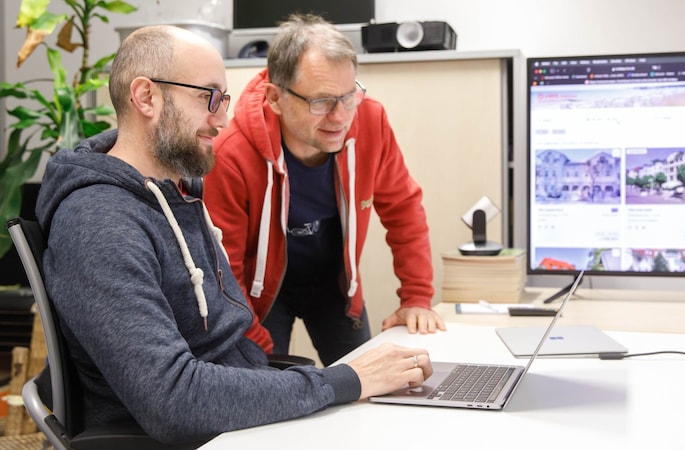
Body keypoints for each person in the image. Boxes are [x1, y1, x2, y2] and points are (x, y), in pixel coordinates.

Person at [35, 25, 432, 446]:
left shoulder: (178, 193)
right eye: (208, 97)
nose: (223, 119)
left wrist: (332, 384)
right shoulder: (100, 224)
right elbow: (173, 400)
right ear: (146, 97)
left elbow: (225, 335)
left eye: (223, 99)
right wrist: (340, 382)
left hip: (238, 413)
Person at [204, 14, 446, 366]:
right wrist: (258, 353)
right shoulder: (231, 154)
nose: (339, 117)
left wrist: (417, 297)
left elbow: (403, 209)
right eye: (320, 102)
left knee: (367, 386)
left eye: (348, 97)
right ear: (275, 98)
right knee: (267, 391)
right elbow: (225, 269)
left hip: (335, 285)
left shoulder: (371, 121)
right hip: (262, 296)